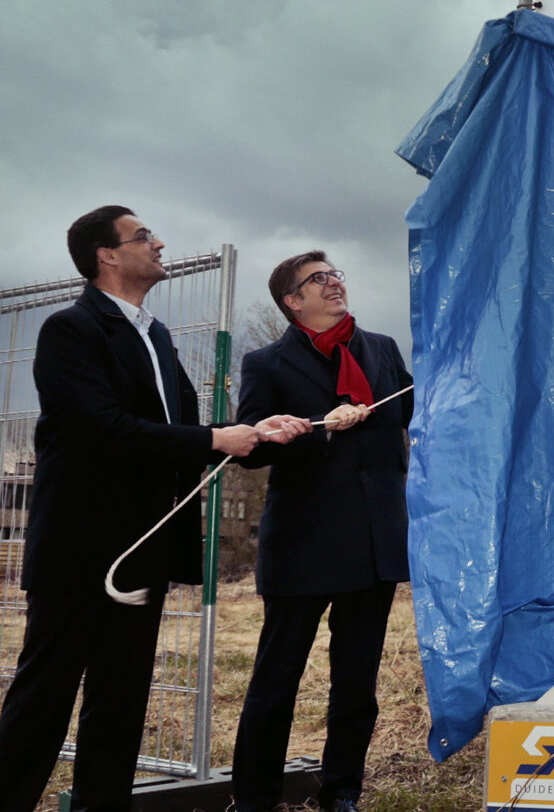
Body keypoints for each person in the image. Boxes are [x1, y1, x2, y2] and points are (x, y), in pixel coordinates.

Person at [0, 208, 303, 812]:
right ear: (106, 255)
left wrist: (256, 431)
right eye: (143, 237)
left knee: (121, 701)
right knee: (43, 700)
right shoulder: (71, 330)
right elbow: (101, 429)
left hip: (143, 551)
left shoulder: (156, 335)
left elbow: (185, 430)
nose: (159, 244)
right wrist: (214, 439)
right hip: (79, 552)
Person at [228, 252, 413, 812]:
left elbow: (404, 409)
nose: (334, 283)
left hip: (374, 540)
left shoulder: (380, 348)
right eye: (318, 279)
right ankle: (255, 798)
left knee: (356, 683)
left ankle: (341, 792)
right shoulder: (266, 362)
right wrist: (319, 430)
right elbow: (252, 455)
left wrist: (377, 414)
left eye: (335, 274)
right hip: (304, 544)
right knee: (276, 680)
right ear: (292, 301)